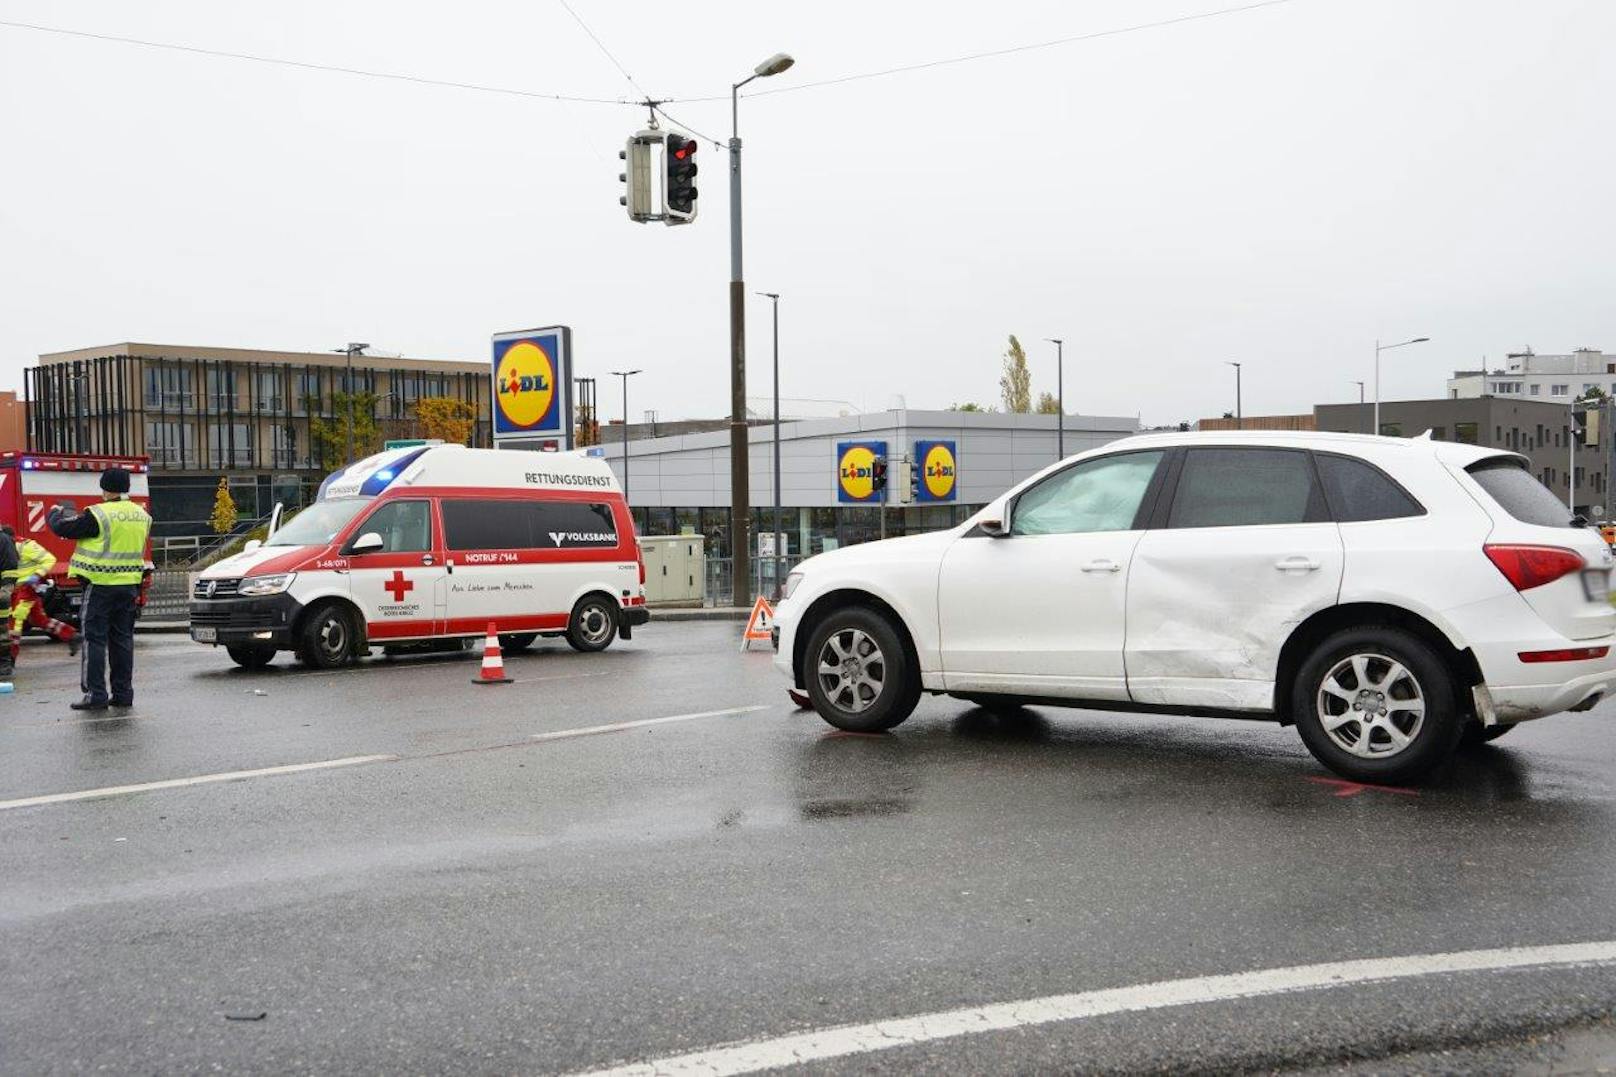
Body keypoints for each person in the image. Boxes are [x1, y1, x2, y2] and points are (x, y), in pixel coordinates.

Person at [47, 467, 151, 713]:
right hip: (128, 587)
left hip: (100, 586)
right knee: (123, 641)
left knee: (94, 641)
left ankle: (95, 695)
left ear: (105, 487)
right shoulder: (141, 515)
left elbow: (63, 528)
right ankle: (123, 694)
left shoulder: (98, 514)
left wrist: (54, 514)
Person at [2, 525, 80, 664]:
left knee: (15, 620)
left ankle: (10, 657)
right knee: (39, 619)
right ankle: (71, 635)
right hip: (18, 589)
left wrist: (37, 575)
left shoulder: (27, 546)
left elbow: (49, 559)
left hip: (27, 588)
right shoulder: (9, 547)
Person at [0, 523, 15, 680]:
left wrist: (5, 590)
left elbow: (10, 566)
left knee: (2, 631)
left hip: (1, 594)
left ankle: (4, 663)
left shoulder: (3, 540)